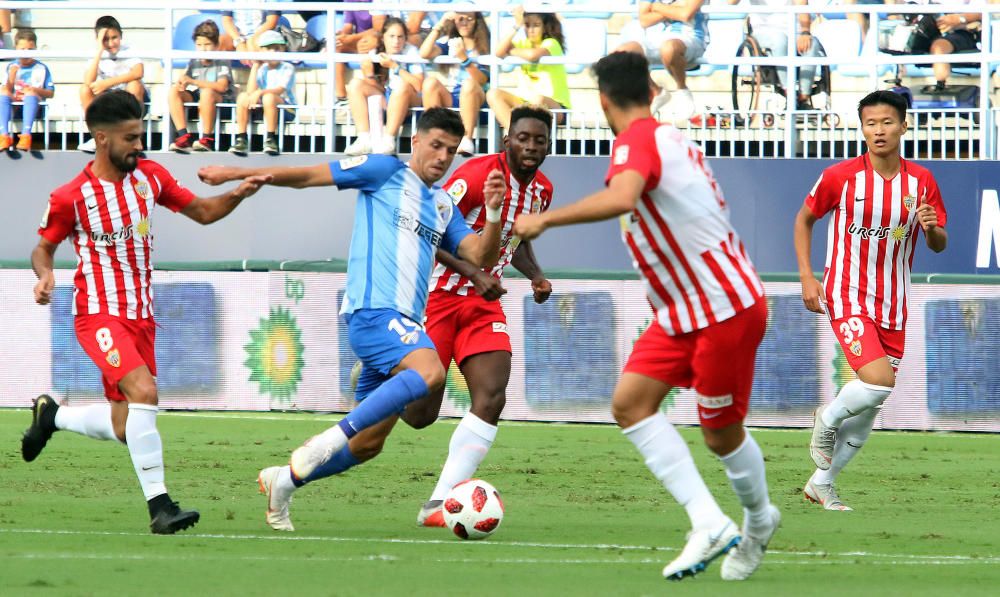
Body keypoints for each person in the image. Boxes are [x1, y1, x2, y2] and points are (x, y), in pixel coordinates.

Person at [512, 51, 779, 582]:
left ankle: (757, 522)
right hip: (684, 309)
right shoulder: (669, 137)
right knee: (631, 404)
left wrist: (543, 220)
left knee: (720, 435)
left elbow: (623, 195)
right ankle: (707, 521)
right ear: (652, 92)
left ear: (604, 101)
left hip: (723, 306)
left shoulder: (637, 140)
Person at [195, 108, 507, 532]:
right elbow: (308, 175)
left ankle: (282, 482)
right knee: (430, 371)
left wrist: (490, 212)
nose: (442, 157)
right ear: (414, 142)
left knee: (368, 444)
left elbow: (479, 257)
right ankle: (325, 440)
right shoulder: (383, 172)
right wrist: (237, 171)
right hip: (373, 312)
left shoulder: (443, 204)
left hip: (403, 324)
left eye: (451, 151)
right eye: (435, 145)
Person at [256, 105, 555, 531]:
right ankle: (295, 470)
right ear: (506, 140)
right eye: (522, 137)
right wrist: (473, 271)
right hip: (438, 297)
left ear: (549, 145)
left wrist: (536, 274)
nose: (530, 146)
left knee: (492, 395)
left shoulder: (542, 190)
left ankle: (438, 502)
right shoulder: (471, 177)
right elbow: (430, 226)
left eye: (539, 140)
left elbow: (513, 238)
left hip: (483, 304)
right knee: (412, 419)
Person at [22, 89, 269, 534]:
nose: (140, 145)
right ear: (102, 138)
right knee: (145, 393)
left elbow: (204, 212)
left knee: (124, 426)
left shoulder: (150, 178)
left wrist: (239, 194)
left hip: (141, 316)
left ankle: (52, 417)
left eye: (141, 135)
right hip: (98, 314)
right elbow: (43, 249)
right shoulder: (71, 196)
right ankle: (160, 508)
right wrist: (45, 276)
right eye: (131, 137)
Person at [795, 90, 948, 511]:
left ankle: (821, 484)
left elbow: (937, 244)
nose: (878, 130)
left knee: (867, 413)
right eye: (870, 123)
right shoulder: (841, 177)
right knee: (878, 381)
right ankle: (825, 418)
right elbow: (804, 219)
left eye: (887, 122)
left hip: (894, 302)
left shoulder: (921, 182)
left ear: (904, 125)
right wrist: (808, 276)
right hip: (847, 293)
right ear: (861, 128)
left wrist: (931, 227)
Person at [344, 17, 424, 156]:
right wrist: (369, 74)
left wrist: (395, 67)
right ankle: (363, 138)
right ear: (383, 38)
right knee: (355, 84)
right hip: (388, 99)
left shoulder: (411, 51)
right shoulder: (376, 51)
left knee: (403, 86)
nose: (396, 41)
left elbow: (418, 85)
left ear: (405, 38)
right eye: (391, 36)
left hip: (411, 101)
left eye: (400, 37)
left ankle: (388, 139)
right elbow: (380, 89)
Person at [617, 0, 707, 121]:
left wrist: (657, 7)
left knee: (668, 48)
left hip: (691, 37)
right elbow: (644, 20)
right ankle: (655, 91)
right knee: (624, 52)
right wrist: (673, 8)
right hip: (660, 37)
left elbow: (685, 14)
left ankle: (682, 89)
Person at [728, 0, 822, 110]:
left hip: (794, 31)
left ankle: (803, 97)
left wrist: (805, 32)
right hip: (764, 31)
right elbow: (731, 2)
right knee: (779, 40)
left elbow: (802, 6)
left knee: (812, 44)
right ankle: (790, 94)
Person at [487, 7, 570, 131]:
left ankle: (525, 134)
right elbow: (498, 52)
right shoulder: (523, 43)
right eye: (527, 25)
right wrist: (517, 25)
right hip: (525, 103)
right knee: (493, 94)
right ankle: (514, 134)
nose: (531, 30)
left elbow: (532, 55)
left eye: (536, 25)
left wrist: (511, 51)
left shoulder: (552, 43)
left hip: (556, 107)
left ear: (545, 26)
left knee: (538, 99)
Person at [419, 11, 490, 156]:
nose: (464, 23)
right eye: (460, 19)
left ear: (477, 20)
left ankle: (467, 139)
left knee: (469, 85)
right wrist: (440, 24)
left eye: (469, 18)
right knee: (430, 83)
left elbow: (482, 80)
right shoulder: (450, 42)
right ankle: (433, 138)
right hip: (456, 97)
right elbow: (424, 53)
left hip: (478, 99)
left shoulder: (485, 44)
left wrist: (465, 59)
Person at [79, 16, 146, 152]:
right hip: (109, 101)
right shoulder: (96, 53)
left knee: (134, 84)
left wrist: (107, 83)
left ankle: (132, 136)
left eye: (114, 38)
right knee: (84, 90)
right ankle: (97, 137)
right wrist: (99, 50)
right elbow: (88, 81)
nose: (110, 43)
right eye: (105, 39)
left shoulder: (128, 50)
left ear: (121, 36)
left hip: (129, 99)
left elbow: (138, 72)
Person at [168, 20, 233, 153]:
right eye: (199, 45)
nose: (203, 49)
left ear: (216, 45)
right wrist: (182, 83)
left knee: (207, 93)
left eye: (207, 44)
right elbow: (185, 82)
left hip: (221, 101)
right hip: (199, 98)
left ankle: (207, 139)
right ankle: (183, 136)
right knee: (173, 91)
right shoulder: (194, 61)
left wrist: (193, 82)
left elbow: (222, 87)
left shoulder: (222, 60)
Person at [230, 29, 297, 156]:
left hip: (286, 109)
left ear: (283, 49)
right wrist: (255, 66)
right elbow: (251, 92)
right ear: (261, 51)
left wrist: (260, 93)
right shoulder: (262, 69)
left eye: (277, 48)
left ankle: (270, 138)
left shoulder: (288, 67)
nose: (273, 52)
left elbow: (280, 90)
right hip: (264, 107)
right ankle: (241, 138)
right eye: (268, 49)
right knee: (243, 96)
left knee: (269, 98)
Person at [0, 28, 54, 152]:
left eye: (30, 50)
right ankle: (4, 135)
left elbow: (50, 93)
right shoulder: (11, 66)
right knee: (3, 93)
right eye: (22, 50)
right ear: (16, 49)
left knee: (30, 93)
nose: (26, 53)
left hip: (35, 108)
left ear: (35, 49)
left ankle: (26, 135)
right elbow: (6, 90)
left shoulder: (41, 68)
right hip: (15, 107)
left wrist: (34, 90)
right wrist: (11, 78)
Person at [334, 0, 379, 108]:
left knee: (365, 47)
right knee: (337, 46)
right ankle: (341, 97)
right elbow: (348, 26)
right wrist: (342, 35)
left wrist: (351, 38)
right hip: (358, 40)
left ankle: (369, 94)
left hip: (377, 40)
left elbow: (378, 29)